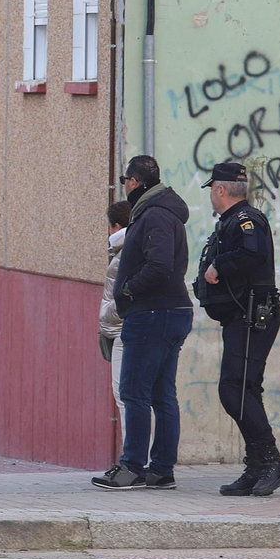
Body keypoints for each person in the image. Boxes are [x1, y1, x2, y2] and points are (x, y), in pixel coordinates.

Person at [93, 155, 192, 491]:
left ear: (133, 182)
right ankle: (161, 470)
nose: (126, 186)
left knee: (135, 391)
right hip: (166, 311)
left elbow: (160, 264)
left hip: (153, 314)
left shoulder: (155, 215)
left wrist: (128, 291)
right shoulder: (158, 212)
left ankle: (133, 466)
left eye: (126, 181)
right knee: (162, 394)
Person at [193, 161, 280, 497]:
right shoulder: (231, 221)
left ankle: (270, 460)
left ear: (220, 189)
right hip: (240, 316)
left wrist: (219, 264)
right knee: (244, 389)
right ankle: (258, 465)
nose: (211, 195)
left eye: (212, 190)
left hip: (252, 316)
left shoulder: (246, 219)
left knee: (234, 389)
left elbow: (252, 253)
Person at [98, 199, 132, 444]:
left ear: (116, 227)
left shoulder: (124, 253)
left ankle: (133, 456)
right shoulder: (134, 246)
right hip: (127, 327)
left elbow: (121, 296)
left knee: (125, 395)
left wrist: (106, 318)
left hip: (123, 329)